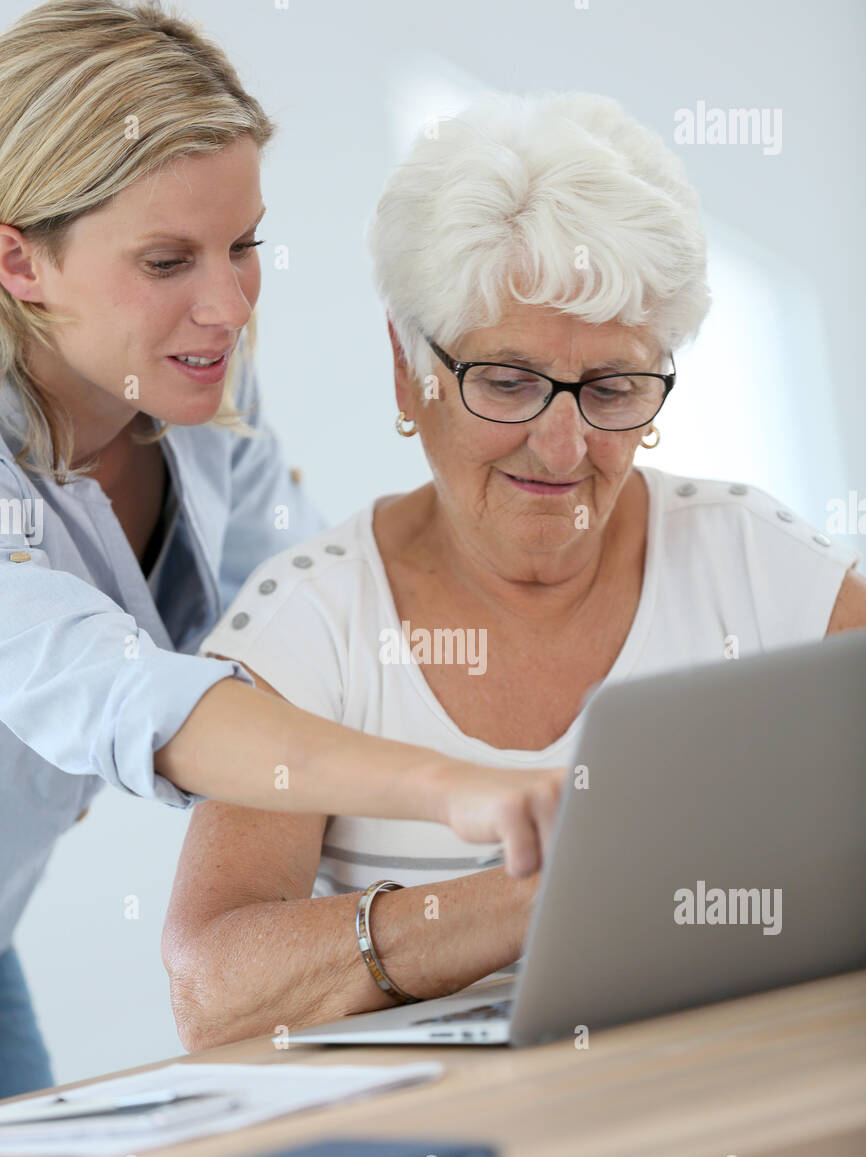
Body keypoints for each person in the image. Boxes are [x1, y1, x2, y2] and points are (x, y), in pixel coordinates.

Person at [161, 91, 866, 1050]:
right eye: (509, 381)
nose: (564, 446)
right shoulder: (313, 618)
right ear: (408, 368)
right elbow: (211, 987)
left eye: (613, 387)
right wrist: (548, 897)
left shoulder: (757, 564)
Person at [0, 6, 561, 1098]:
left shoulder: (191, 382)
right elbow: (130, 698)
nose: (226, 306)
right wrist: (455, 787)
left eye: (243, 245)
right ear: (17, 258)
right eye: (166, 259)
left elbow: (299, 626)